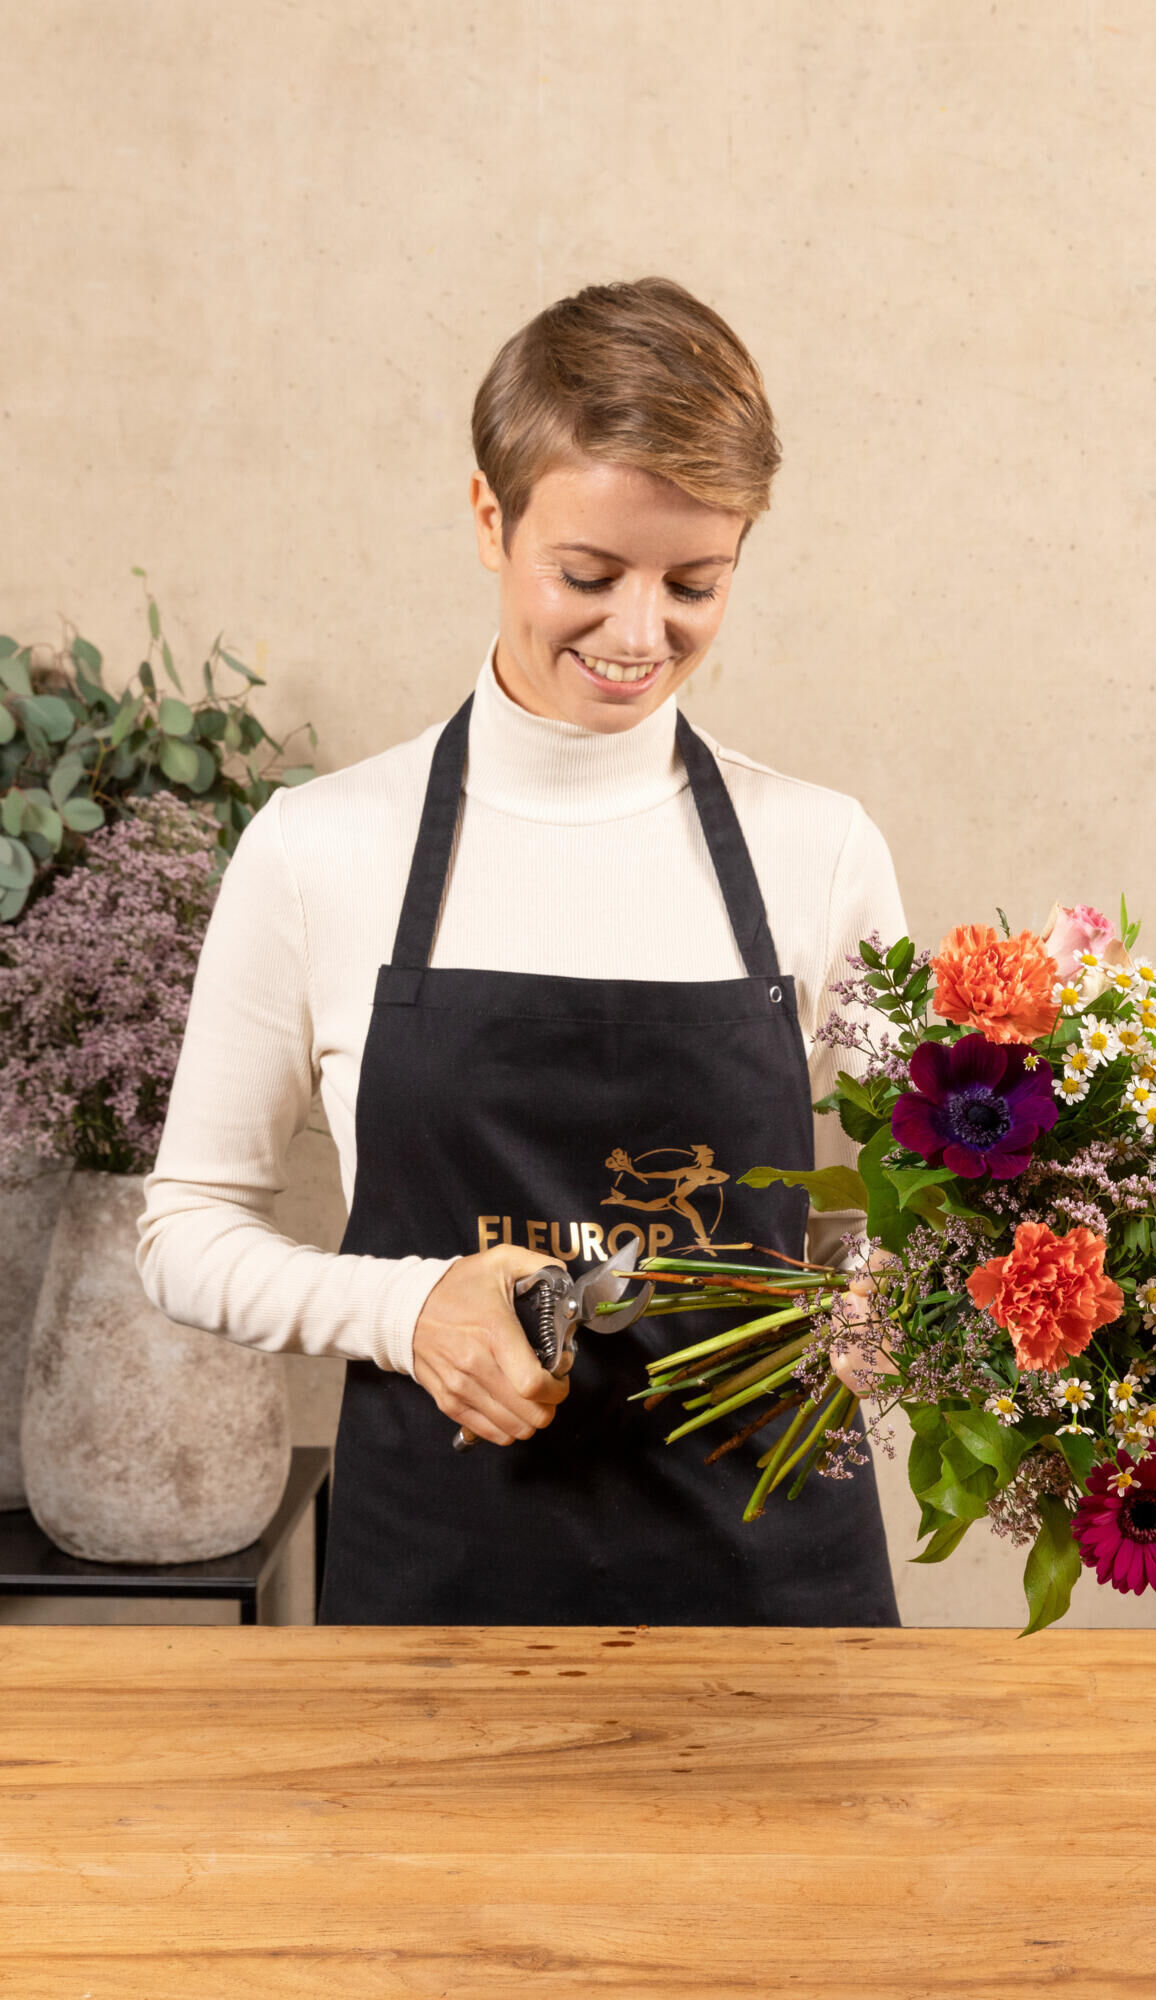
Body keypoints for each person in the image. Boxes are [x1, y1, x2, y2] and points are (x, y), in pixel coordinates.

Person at [138, 276, 906, 1626]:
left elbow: (900, 1207)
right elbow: (185, 1235)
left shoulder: (820, 850)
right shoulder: (321, 850)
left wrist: (897, 1304)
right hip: (441, 1587)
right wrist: (410, 1308)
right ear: (490, 516)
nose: (636, 635)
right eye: (589, 574)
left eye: (695, 583)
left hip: (771, 1593)